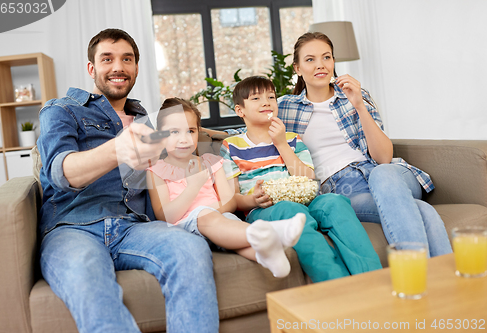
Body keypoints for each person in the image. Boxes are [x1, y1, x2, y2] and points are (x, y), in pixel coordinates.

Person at [37, 29, 219, 332]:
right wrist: (116, 149)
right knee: (86, 275)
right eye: (107, 59)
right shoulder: (62, 109)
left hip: (134, 227)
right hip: (73, 228)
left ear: (135, 68)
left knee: (190, 249)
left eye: (127, 59)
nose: (118, 66)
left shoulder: (144, 120)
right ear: (91, 69)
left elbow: (179, 152)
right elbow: (61, 171)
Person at [277, 32, 452, 256]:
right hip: (344, 190)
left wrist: (359, 105)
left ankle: (413, 278)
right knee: (424, 211)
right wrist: (216, 135)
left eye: (326, 57)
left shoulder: (355, 95)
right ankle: (442, 284)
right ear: (297, 68)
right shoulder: (284, 107)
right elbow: (248, 131)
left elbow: (383, 158)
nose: (320, 65)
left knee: (383, 173)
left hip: (387, 175)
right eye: (310, 59)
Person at [220, 76, 382, 283]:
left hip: (306, 201)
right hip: (263, 209)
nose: (266, 102)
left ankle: (373, 280)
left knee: (335, 202)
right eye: (256, 98)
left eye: (271, 97)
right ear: (240, 110)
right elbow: (232, 197)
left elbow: (307, 177)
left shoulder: (291, 139)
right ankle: (335, 284)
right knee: (291, 210)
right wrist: (253, 200)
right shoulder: (231, 146)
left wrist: (281, 144)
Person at [147, 97, 306, 278]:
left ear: (197, 131)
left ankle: (268, 258)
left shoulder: (211, 163)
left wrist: (212, 212)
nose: (184, 139)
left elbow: (229, 203)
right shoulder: (156, 170)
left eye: (190, 131)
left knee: (230, 224)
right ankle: (272, 232)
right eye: (174, 132)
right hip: (184, 227)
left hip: (220, 220)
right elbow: (165, 216)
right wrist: (193, 188)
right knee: (205, 217)